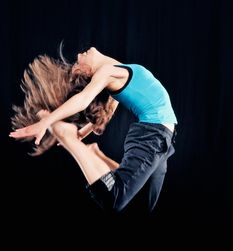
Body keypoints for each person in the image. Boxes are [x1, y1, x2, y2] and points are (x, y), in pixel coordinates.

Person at [10, 46, 177, 213]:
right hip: (152, 134)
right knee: (114, 198)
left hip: (163, 136)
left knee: (143, 204)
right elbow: (82, 100)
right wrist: (45, 123)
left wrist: (84, 131)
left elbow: (109, 109)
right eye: (78, 62)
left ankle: (95, 153)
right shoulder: (105, 72)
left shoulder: (118, 72)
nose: (78, 54)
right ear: (89, 71)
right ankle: (65, 135)